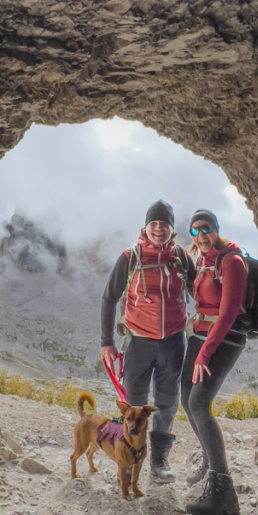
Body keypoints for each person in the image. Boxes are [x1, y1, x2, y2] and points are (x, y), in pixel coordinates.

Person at [101, 200, 195, 482]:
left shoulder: (180, 257)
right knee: (133, 403)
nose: (158, 228)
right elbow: (109, 297)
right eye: (154, 223)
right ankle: (128, 456)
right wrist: (107, 341)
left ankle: (158, 459)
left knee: (167, 402)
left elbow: (199, 292)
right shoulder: (130, 257)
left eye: (164, 224)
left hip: (173, 341)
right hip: (139, 342)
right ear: (146, 226)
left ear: (171, 228)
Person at [181, 209, 248, 515]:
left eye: (206, 229)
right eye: (195, 231)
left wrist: (205, 353)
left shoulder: (231, 262)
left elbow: (229, 312)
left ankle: (223, 492)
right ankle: (210, 463)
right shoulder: (202, 259)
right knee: (186, 395)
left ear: (217, 228)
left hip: (225, 339)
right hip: (200, 335)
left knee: (199, 403)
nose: (201, 235)